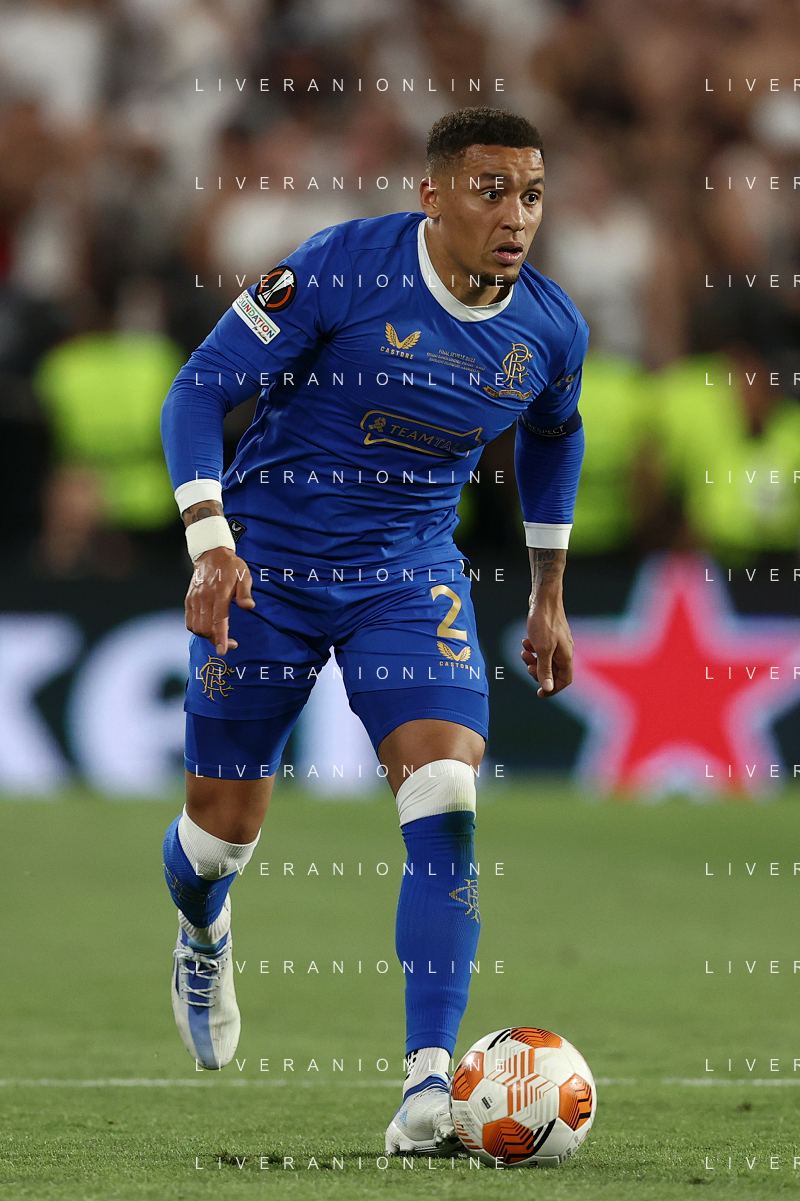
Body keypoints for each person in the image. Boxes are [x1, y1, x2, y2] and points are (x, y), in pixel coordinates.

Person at [159, 106, 587, 1156]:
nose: (516, 215)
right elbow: (200, 388)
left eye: (532, 194)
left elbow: (554, 434)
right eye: (491, 190)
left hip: (406, 575)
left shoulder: (548, 328)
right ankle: (203, 927)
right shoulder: (339, 266)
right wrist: (211, 541)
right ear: (431, 195)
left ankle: (427, 1087)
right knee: (218, 838)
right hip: (267, 562)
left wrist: (547, 591)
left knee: (445, 794)